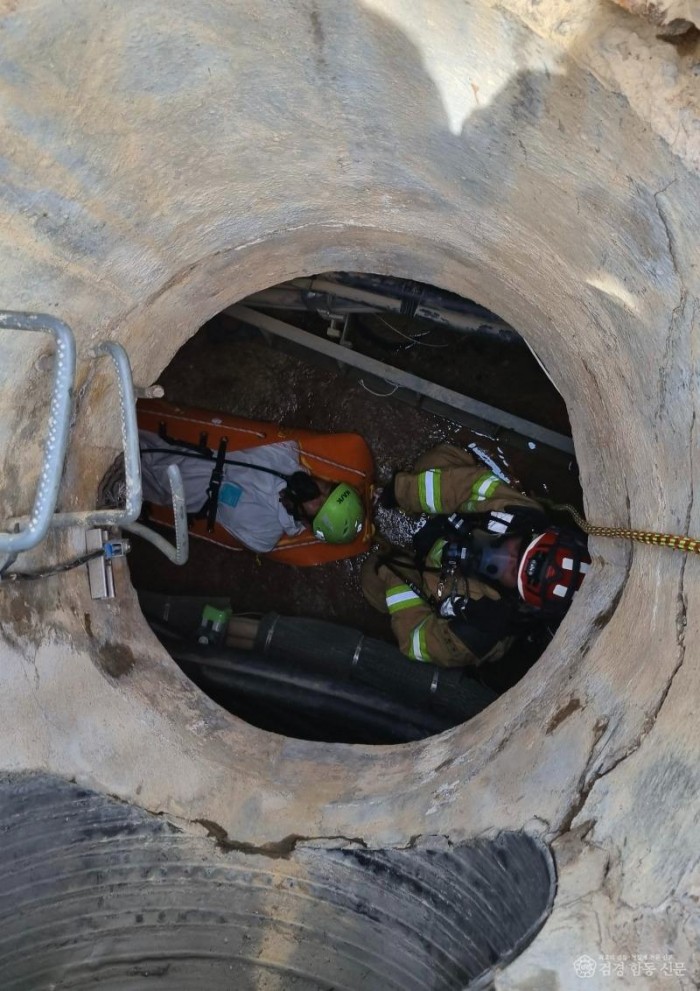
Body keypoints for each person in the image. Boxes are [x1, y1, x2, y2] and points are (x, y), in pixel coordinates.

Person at [361, 443, 590, 667]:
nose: (503, 557)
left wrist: (394, 576)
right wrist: (401, 491)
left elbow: (416, 642)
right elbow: (469, 486)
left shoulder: (481, 631)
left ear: (517, 596)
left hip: (431, 584)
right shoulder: (523, 515)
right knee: (436, 464)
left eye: (511, 571)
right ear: (533, 535)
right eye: (518, 549)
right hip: (449, 532)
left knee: (374, 573)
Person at [102, 430, 365, 554]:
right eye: (326, 489)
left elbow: (224, 522)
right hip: (165, 445)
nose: (315, 493)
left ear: (308, 522)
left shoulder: (264, 534)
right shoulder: (284, 451)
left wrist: (279, 501)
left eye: (317, 505)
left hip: (160, 485)